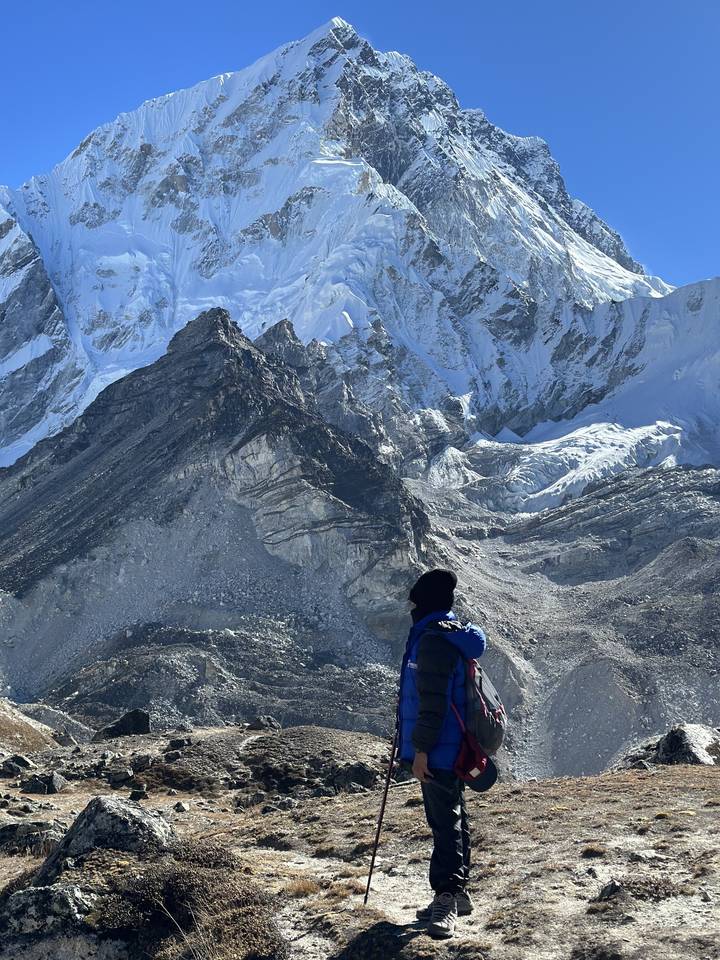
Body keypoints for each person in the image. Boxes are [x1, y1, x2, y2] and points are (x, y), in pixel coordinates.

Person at [397, 568, 487, 939]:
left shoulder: (432, 641)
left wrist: (420, 751)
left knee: (443, 823)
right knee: (454, 813)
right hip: (453, 745)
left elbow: (431, 705)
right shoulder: (450, 634)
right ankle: (459, 892)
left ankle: (446, 898)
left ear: (426, 603)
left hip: (438, 750)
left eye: (415, 602)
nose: (412, 608)